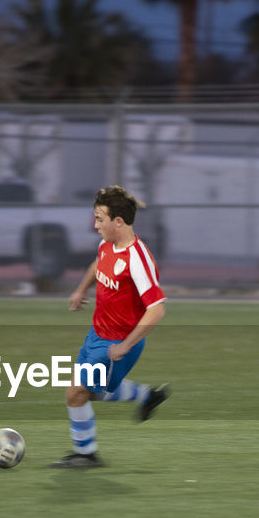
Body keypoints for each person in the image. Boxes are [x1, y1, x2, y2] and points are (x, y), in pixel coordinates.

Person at [49, 185, 170, 468]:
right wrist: (81, 290)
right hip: (96, 334)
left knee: (76, 393)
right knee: (91, 391)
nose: (95, 225)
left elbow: (157, 309)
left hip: (118, 344)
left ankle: (86, 454)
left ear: (118, 221)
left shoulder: (138, 259)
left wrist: (126, 345)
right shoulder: (108, 244)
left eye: (100, 219)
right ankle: (148, 396)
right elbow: (97, 263)